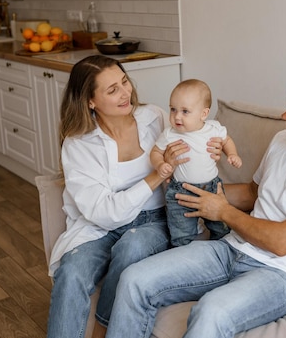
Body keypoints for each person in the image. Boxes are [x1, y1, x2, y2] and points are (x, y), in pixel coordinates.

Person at [106, 68, 286, 338]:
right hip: (233, 248)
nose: (284, 115)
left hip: (285, 272)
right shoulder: (283, 140)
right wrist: (196, 186)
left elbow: (283, 243)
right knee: (134, 279)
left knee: (211, 310)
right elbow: (255, 193)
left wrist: (222, 211)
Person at [45, 55, 222, 338]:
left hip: (154, 220)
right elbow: (103, 213)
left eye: (124, 81)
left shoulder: (153, 117)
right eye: (112, 89)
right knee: (72, 273)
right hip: (98, 226)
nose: (125, 92)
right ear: (90, 101)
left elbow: (194, 136)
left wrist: (210, 150)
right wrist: (155, 177)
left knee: (133, 246)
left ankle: (102, 330)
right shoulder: (79, 143)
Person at [151, 79, 242, 246]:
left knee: (221, 229)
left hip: (212, 188)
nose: (177, 116)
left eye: (185, 111)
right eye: (173, 109)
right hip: (181, 191)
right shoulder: (169, 134)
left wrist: (232, 154)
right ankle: (183, 254)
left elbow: (226, 140)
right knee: (180, 234)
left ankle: (218, 250)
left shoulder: (213, 128)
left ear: (204, 114)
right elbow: (156, 152)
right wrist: (160, 164)